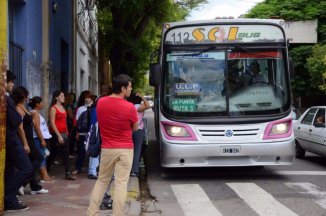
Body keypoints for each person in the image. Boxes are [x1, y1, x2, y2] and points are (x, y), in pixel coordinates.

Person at [87, 74, 138, 216]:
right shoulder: (130, 107)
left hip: (107, 148)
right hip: (125, 149)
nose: (131, 89)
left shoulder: (101, 102)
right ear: (123, 88)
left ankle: (92, 213)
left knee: (102, 181)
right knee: (121, 184)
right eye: (129, 86)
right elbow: (135, 128)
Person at [4, 71, 33, 212]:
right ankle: (8, 196)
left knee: (9, 171)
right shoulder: (7, 99)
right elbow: (16, 120)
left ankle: (10, 201)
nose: (12, 85)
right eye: (11, 82)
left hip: (9, 140)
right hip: (11, 140)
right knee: (27, 169)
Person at [12, 87, 49, 195]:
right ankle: (20, 182)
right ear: (22, 96)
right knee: (38, 158)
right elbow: (20, 128)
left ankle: (35, 186)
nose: (27, 98)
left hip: (30, 139)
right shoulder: (18, 108)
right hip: (26, 140)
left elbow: (29, 120)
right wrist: (25, 144)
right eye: (26, 95)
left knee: (31, 162)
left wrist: (31, 121)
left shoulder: (23, 107)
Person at [47, 90, 76, 180]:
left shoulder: (63, 108)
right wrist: (59, 135)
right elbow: (52, 123)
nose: (64, 97)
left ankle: (68, 173)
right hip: (55, 134)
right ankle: (45, 170)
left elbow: (64, 122)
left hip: (64, 133)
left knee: (65, 153)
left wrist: (67, 132)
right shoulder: (53, 108)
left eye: (63, 96)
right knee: (53, 153)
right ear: (56, 97)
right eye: (62, 96)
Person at [29, 96, 54, 182]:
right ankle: (44, 176)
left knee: (44, 156)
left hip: (40, 137)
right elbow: (37, 127)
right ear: (37, 104)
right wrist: (42, 140)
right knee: (42, 156)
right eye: (41, 103)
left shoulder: (36, 113)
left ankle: (45, 175)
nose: (42, 104)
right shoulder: (34, 113)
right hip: (38, 138)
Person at [128, 92, 151, 177]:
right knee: (137, 151)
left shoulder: (129, 106)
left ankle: (127, 169)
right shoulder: (137, 107)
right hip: (138, 130)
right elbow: (148, 105)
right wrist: (142, 97)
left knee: (129, 151)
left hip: (129, 131)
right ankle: (134, 171)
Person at [73, 90, 93, 175]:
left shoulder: (95, 108)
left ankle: (92, 169)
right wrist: (77, 133)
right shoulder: (80, 109)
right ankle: (78, 168)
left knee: (93, 151)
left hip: (92, 133)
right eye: (85, 97)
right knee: (81, 151)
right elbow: (77, 122)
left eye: (88, 97)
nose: (86, 99)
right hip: (82, 133)